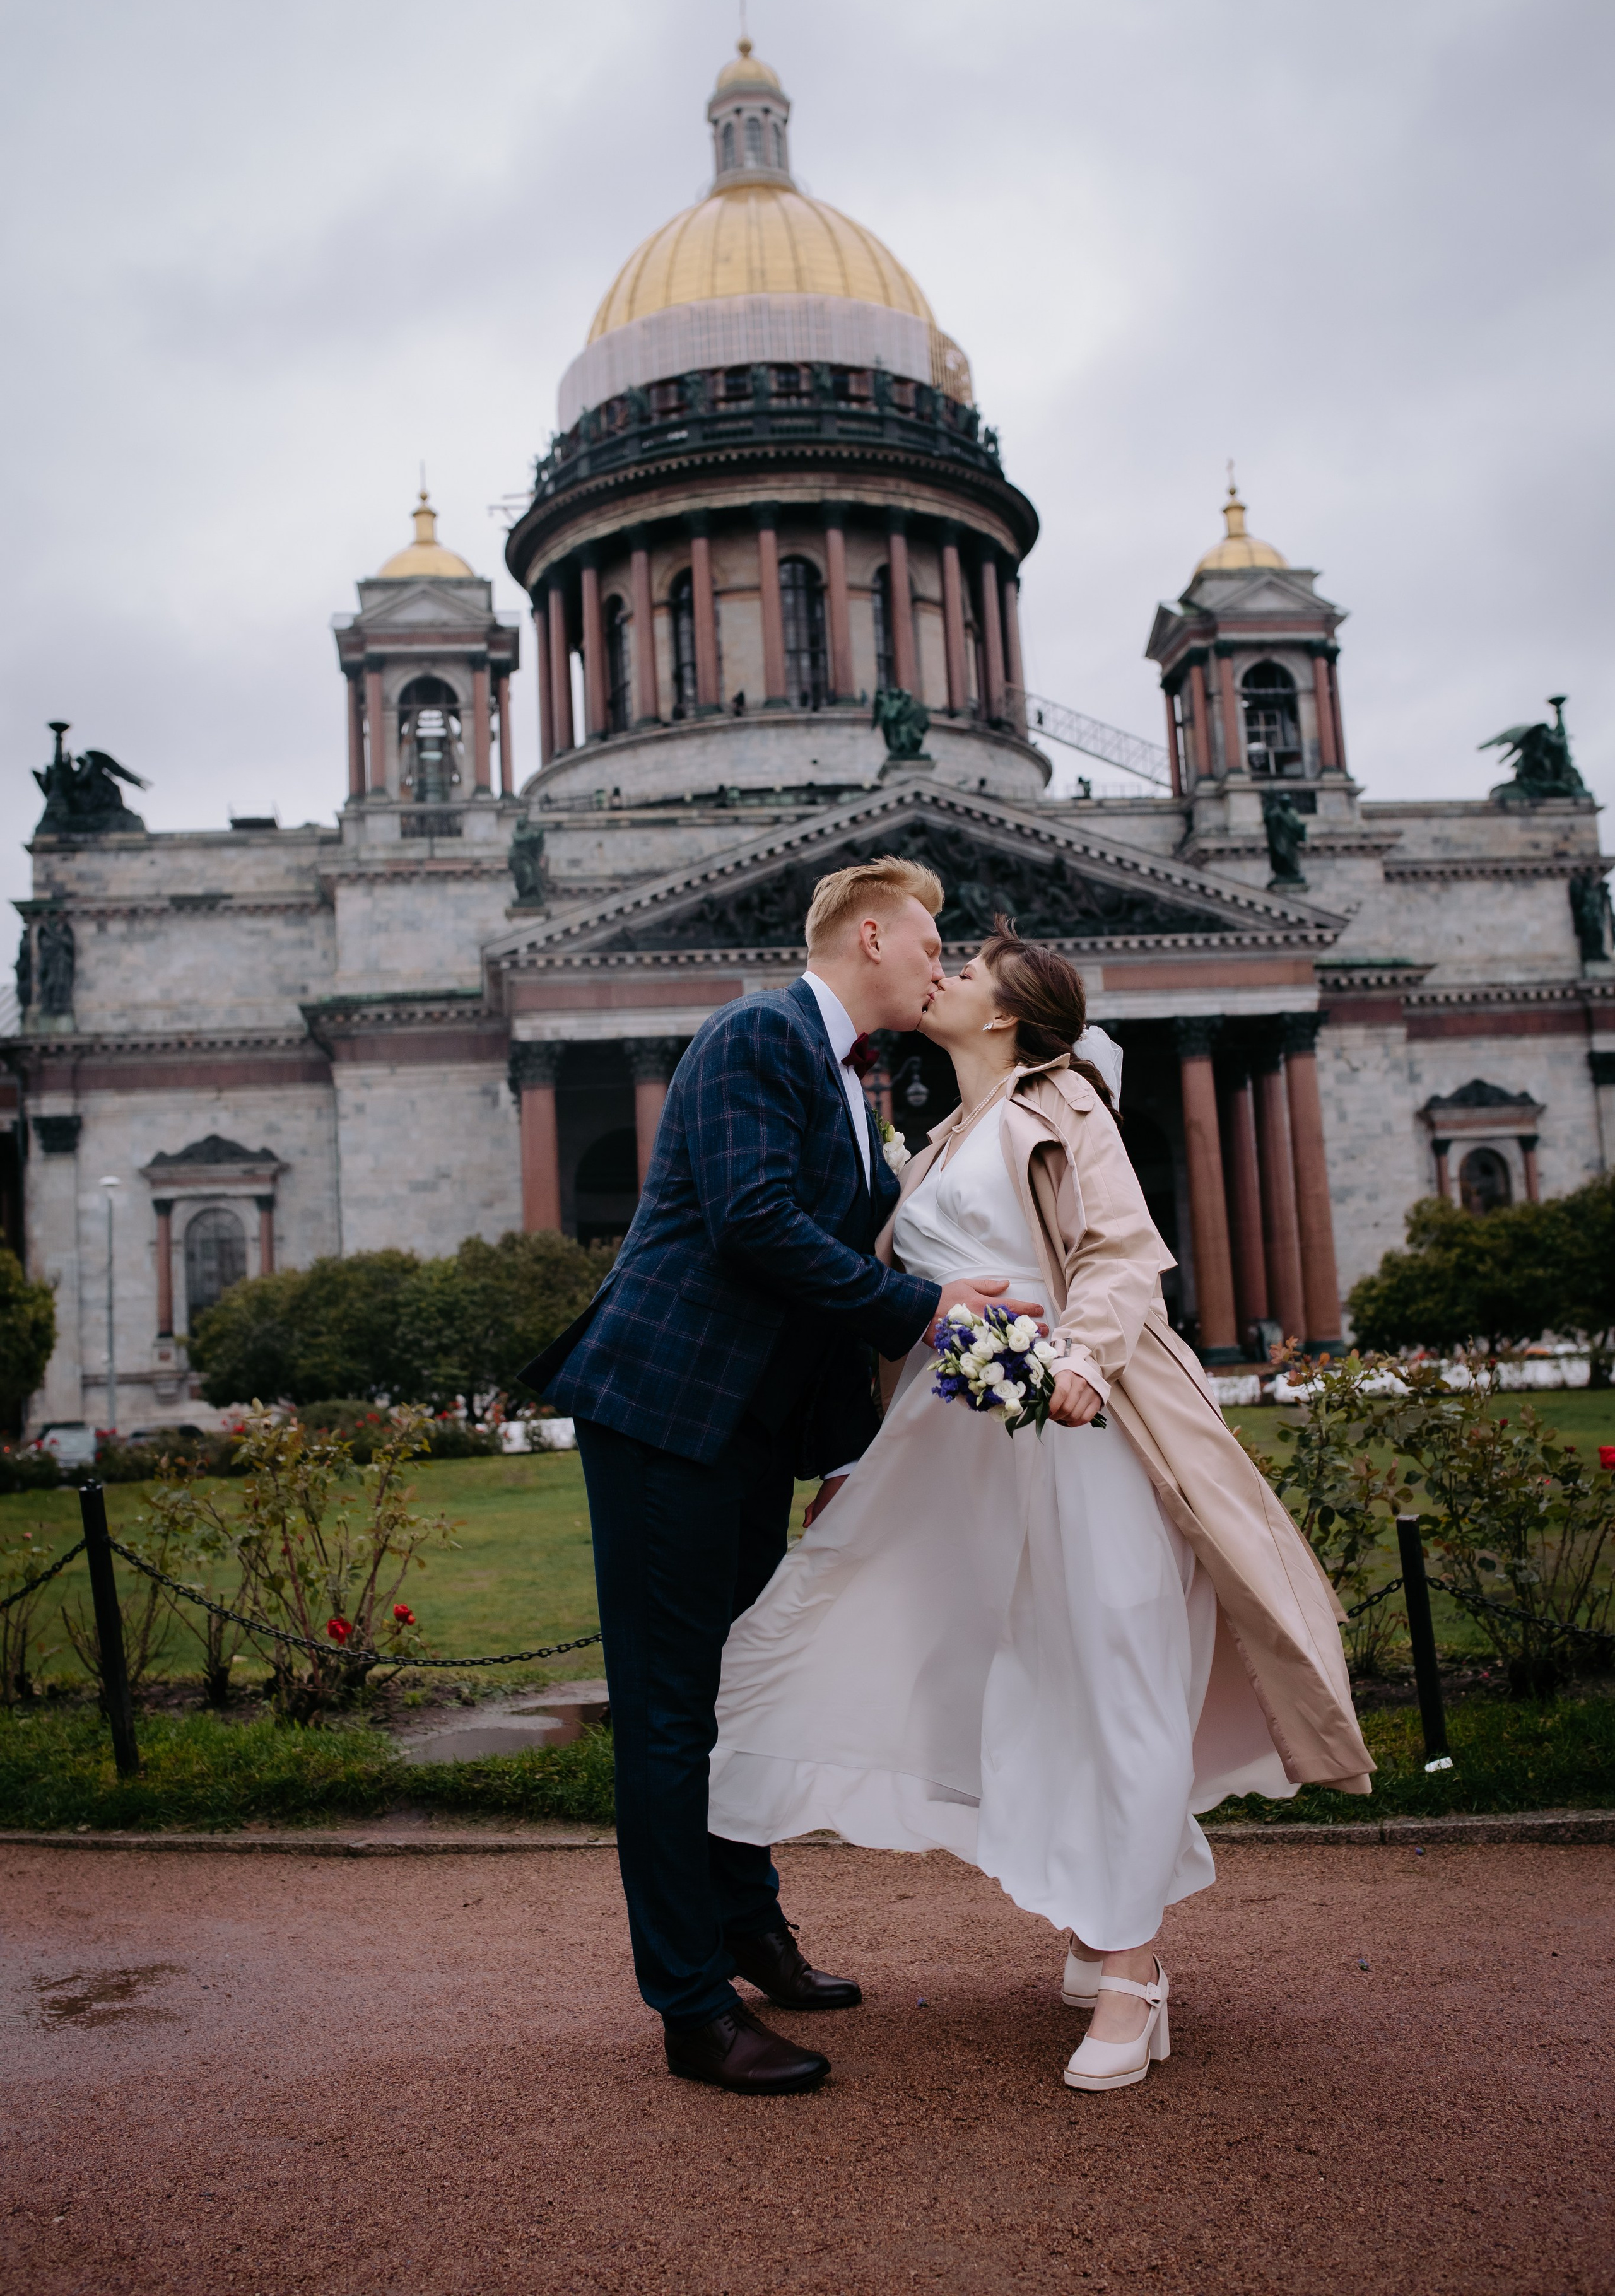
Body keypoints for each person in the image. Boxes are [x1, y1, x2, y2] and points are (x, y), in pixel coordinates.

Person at [709, 919, 1374, 2094]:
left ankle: (1133, 1971)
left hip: (1081, 1438)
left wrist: (1076, 1362)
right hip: (961, 1460)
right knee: (1007, 1682)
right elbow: (906, 1313)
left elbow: (1121, 1255)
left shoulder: (1064, 1100)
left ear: (1009, 1013)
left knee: (1110, 1676)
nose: (943, 973)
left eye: (965, 969)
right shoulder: (931, 1144)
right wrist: (856, 1460)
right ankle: (1093, 1917)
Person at [517, 858, 1043, 2096]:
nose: (940, 963)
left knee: (737, 1695)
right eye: (928, 942)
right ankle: (691, 2010)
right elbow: (753, 1226)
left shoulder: (842, 1075)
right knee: (666, 1715)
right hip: (664, 1417)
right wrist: (923, 1314)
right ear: (869, 935)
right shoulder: (754, 1034)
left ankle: (748, 1931)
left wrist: (845, 1454)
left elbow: (813, 1277)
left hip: (744, 1428)